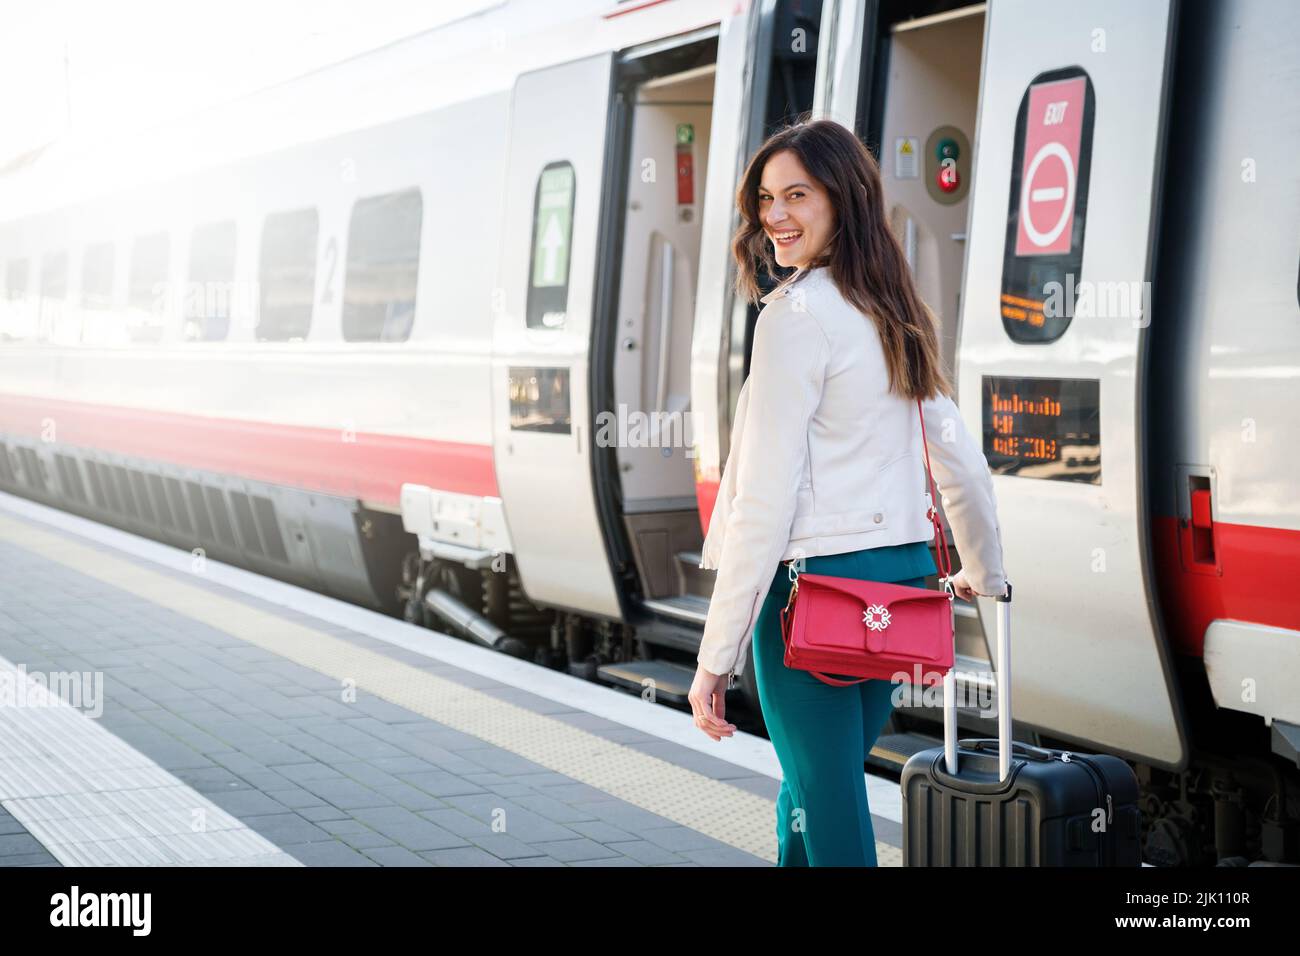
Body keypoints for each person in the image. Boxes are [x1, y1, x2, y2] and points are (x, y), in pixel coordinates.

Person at [687, 116, 1008, 866]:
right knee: (809, 792)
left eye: (796, 194)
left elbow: (761, 504)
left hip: (815, 599)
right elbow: (961, 462)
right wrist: (983, 574)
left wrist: (714, 660)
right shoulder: (889, 307)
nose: (775, 216)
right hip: (899, 589)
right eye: (766, 198)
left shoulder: (795, 318)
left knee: (829, 805)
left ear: (843, 197)